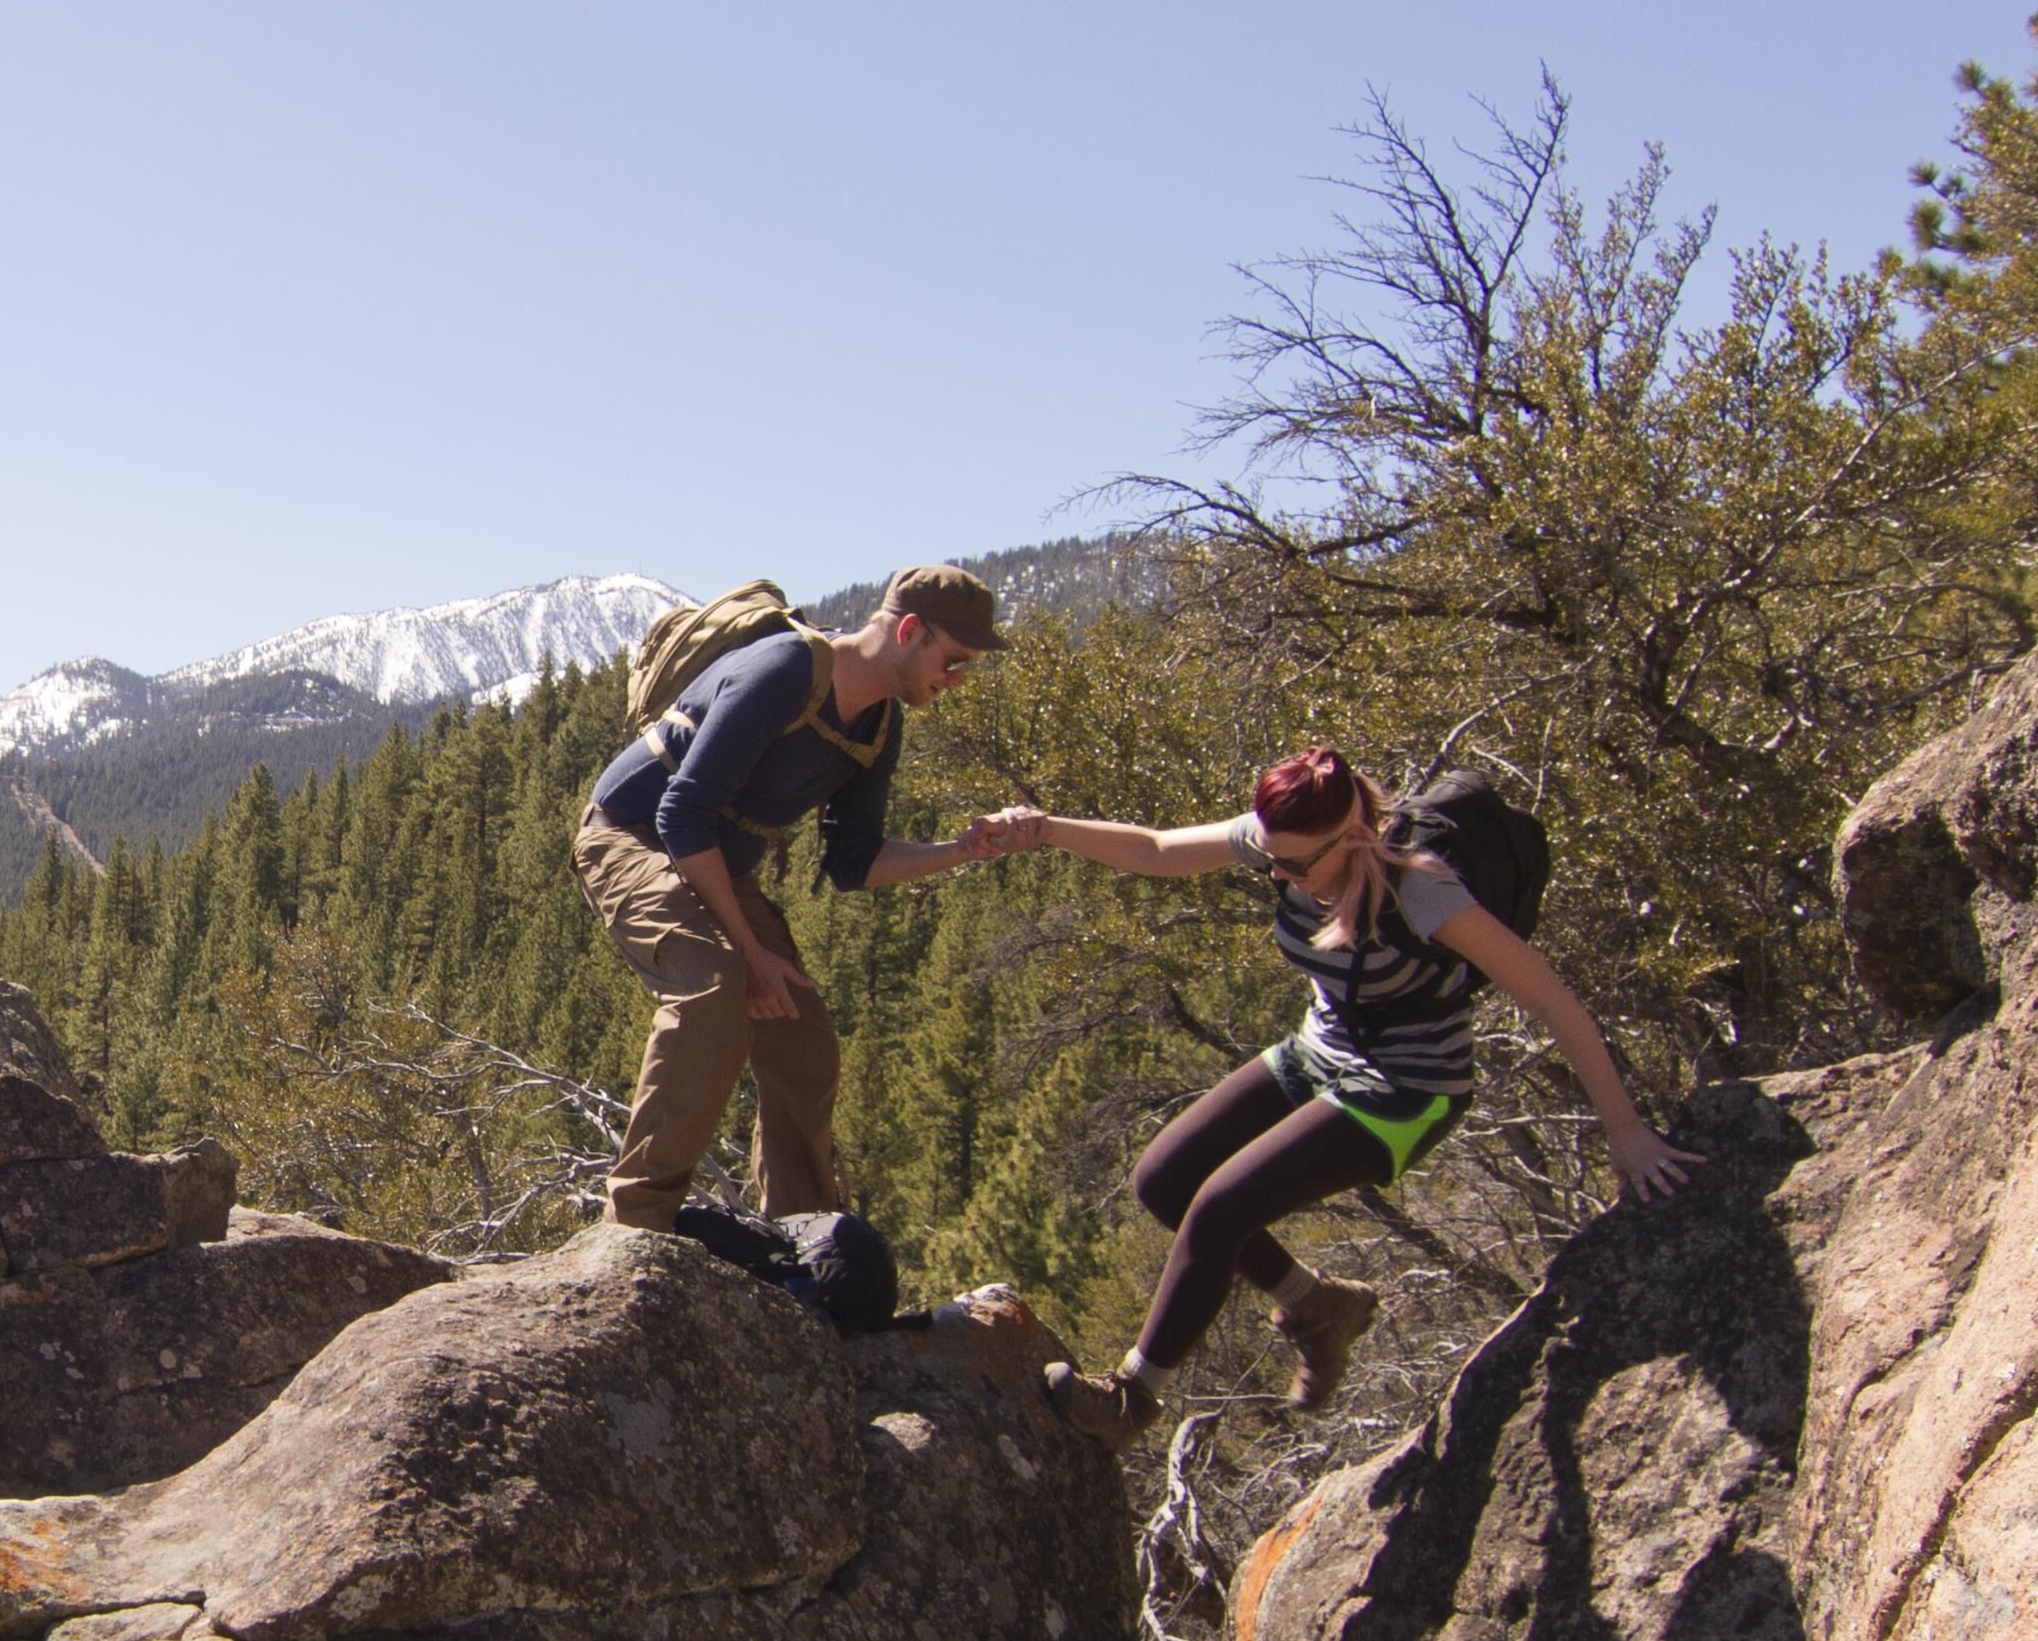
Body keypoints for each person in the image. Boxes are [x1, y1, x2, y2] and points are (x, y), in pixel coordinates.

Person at [992, 746, 1687, 1438]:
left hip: (1408, 1088)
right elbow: (1155, 848)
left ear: (1352, 838)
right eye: (1269, 856)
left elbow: (1552, 999)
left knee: (1221, 1208)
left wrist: (1622, 1129)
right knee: (1164, 1180)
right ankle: (1319, 1307)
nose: (1275, 872)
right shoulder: (1288, 843)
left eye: (1292, 865)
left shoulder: (1424, 890)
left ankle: (1131, 1401)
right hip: (1320, 1052)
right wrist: (1046, 827)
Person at [578, 566, 1023, 1234]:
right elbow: (682, 814)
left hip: (708, 861)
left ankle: (805, 1228)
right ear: (908, 630)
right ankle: (637, 1223)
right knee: (713, 987)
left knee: (803, 1034)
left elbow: (855, 861)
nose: (958, 680)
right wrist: (752, 955)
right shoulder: (785, 668)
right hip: (629, 838)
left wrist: (963, 849)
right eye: (953, 660)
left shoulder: (877, 727)